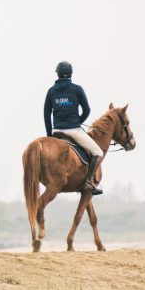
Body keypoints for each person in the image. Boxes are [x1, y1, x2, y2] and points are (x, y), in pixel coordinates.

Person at [44, 61, 103, 195]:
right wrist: (78, 122)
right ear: (70, 74)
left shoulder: (51, 91)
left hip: (57, 131)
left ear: (57, 74)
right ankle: (89, 182)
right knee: (97, 152)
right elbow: (87, 110)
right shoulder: (77, 89)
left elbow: (46, 114)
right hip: (73, 130)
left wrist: (49, 135)